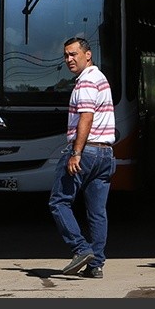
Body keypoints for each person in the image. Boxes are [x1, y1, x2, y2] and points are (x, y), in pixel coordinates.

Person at [48, 37, 116, 279]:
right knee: (97, 211)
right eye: (66, 55)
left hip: (85, 152)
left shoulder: (86, 81)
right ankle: (95, 264)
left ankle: (81, 248)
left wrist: (76, 152)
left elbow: (86, 117)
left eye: (73, 54)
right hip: (106, 154)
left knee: (59, 201)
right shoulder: (100, 78)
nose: (69, 59)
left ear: (88, 55)